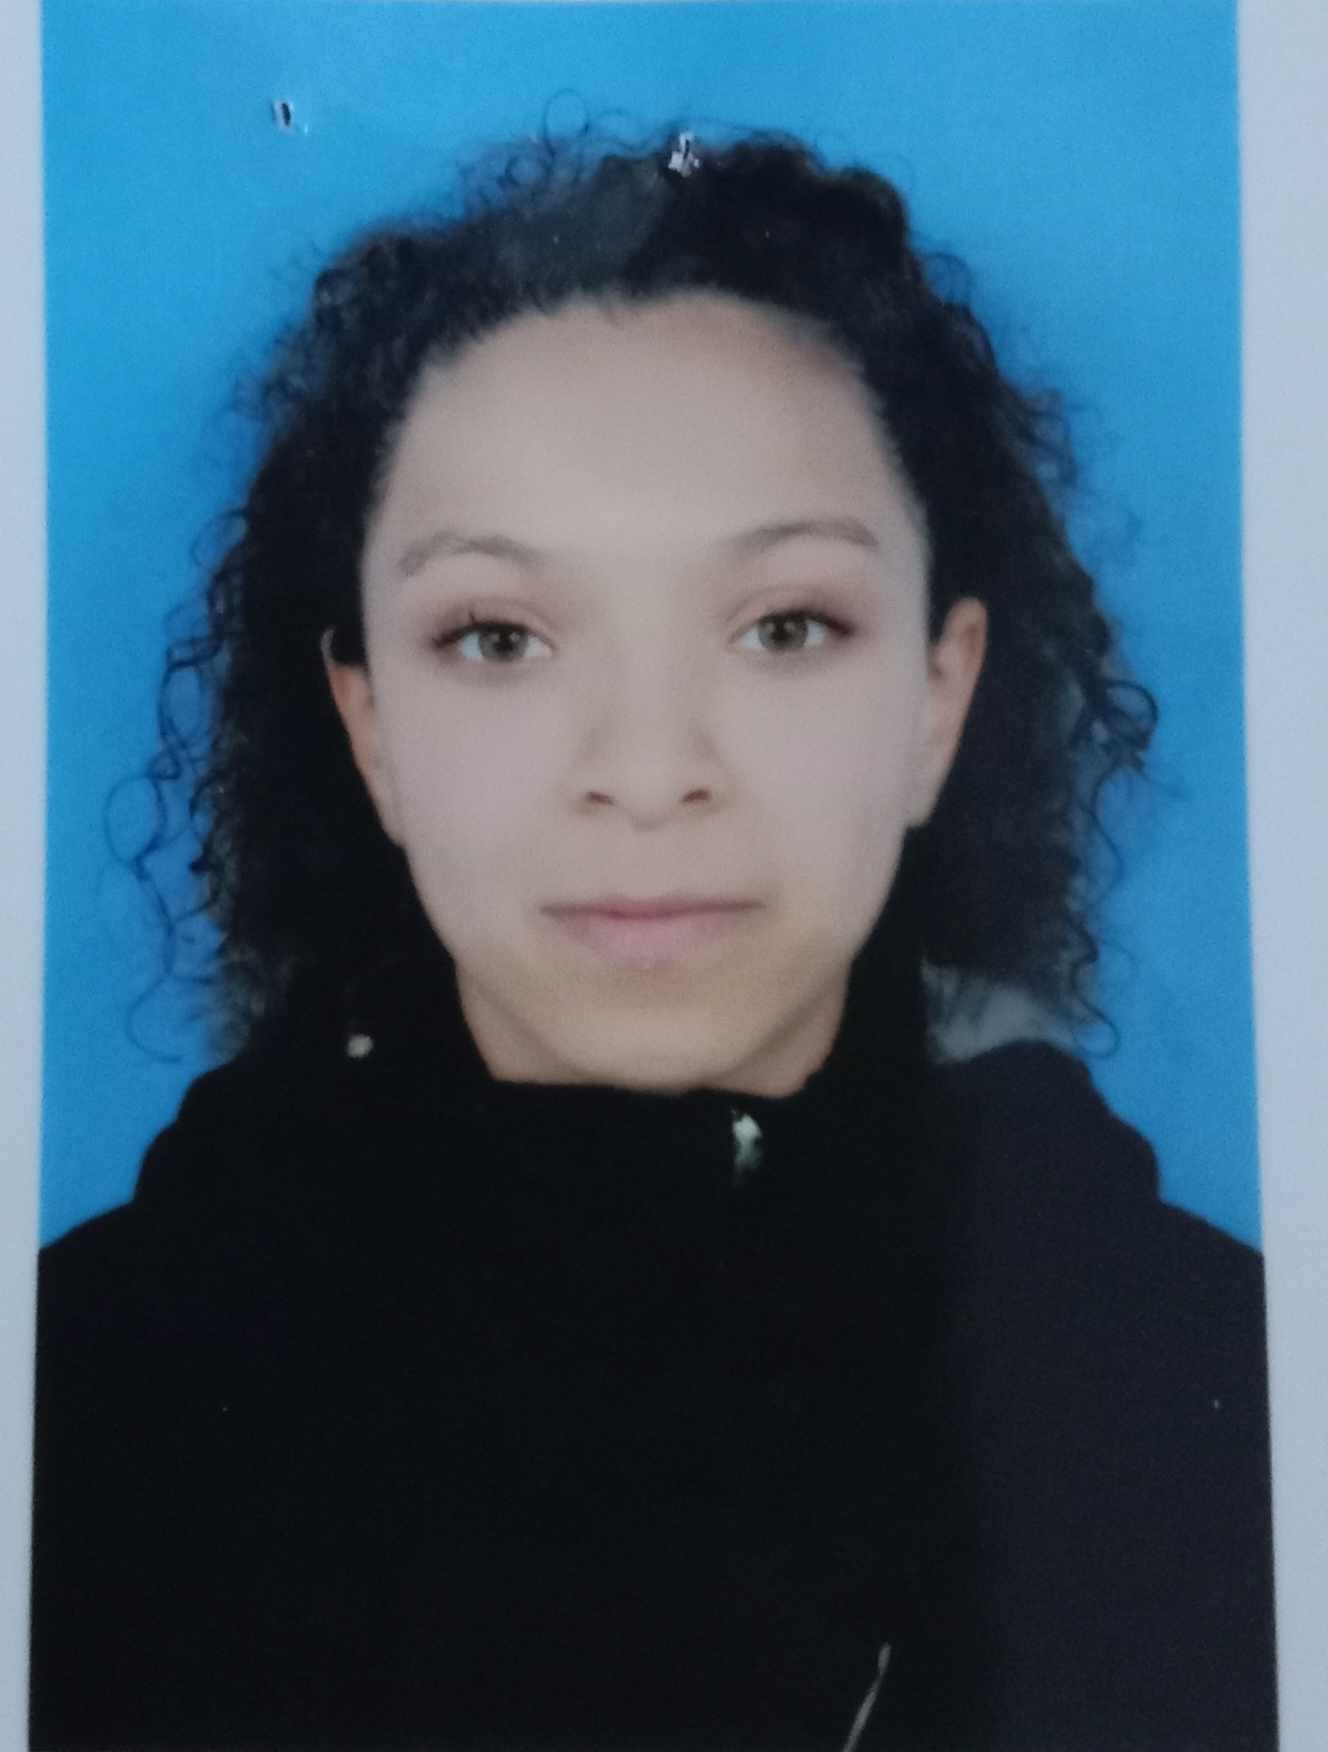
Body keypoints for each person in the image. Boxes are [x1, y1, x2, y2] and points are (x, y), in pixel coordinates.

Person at [29, 129, 1276, 1751]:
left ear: (938, 697)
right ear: (371, 724)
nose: (644, 768)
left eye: (784, 627)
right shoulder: (77, 1400)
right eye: (499, 637)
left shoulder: (1228, 1394)